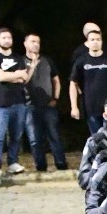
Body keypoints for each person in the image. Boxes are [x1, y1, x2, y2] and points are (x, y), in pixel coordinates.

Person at [0, 27, 29, 186]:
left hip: (19, 102)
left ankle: (12, 162)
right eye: (3, 38)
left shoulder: (18, 58)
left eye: (9, 37)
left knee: (16, 136)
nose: (7, 40)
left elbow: (23, 77)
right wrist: (11, 76)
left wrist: (4, 77)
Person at [22, 33, 68, 173]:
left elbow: (56, 80)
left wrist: (55, 98)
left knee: (54, 135)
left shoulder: (47, 61)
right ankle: (41, 167)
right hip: (29, 106)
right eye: (33, 41)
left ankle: (61, 164)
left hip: (48, 105)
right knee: (35, 139)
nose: (36, 44)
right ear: (25, 44)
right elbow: (23, 80)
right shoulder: (20, 61)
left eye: (38, 42)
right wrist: (33, 65)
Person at [68, 25, 107, 136]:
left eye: (98, 39)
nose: (95, 42)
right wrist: (74, 107)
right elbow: (73, 83)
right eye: (92, 40)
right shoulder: (81, 61)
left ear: (102, 41)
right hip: (91, 107)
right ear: (87, 43)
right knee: (97, 137)